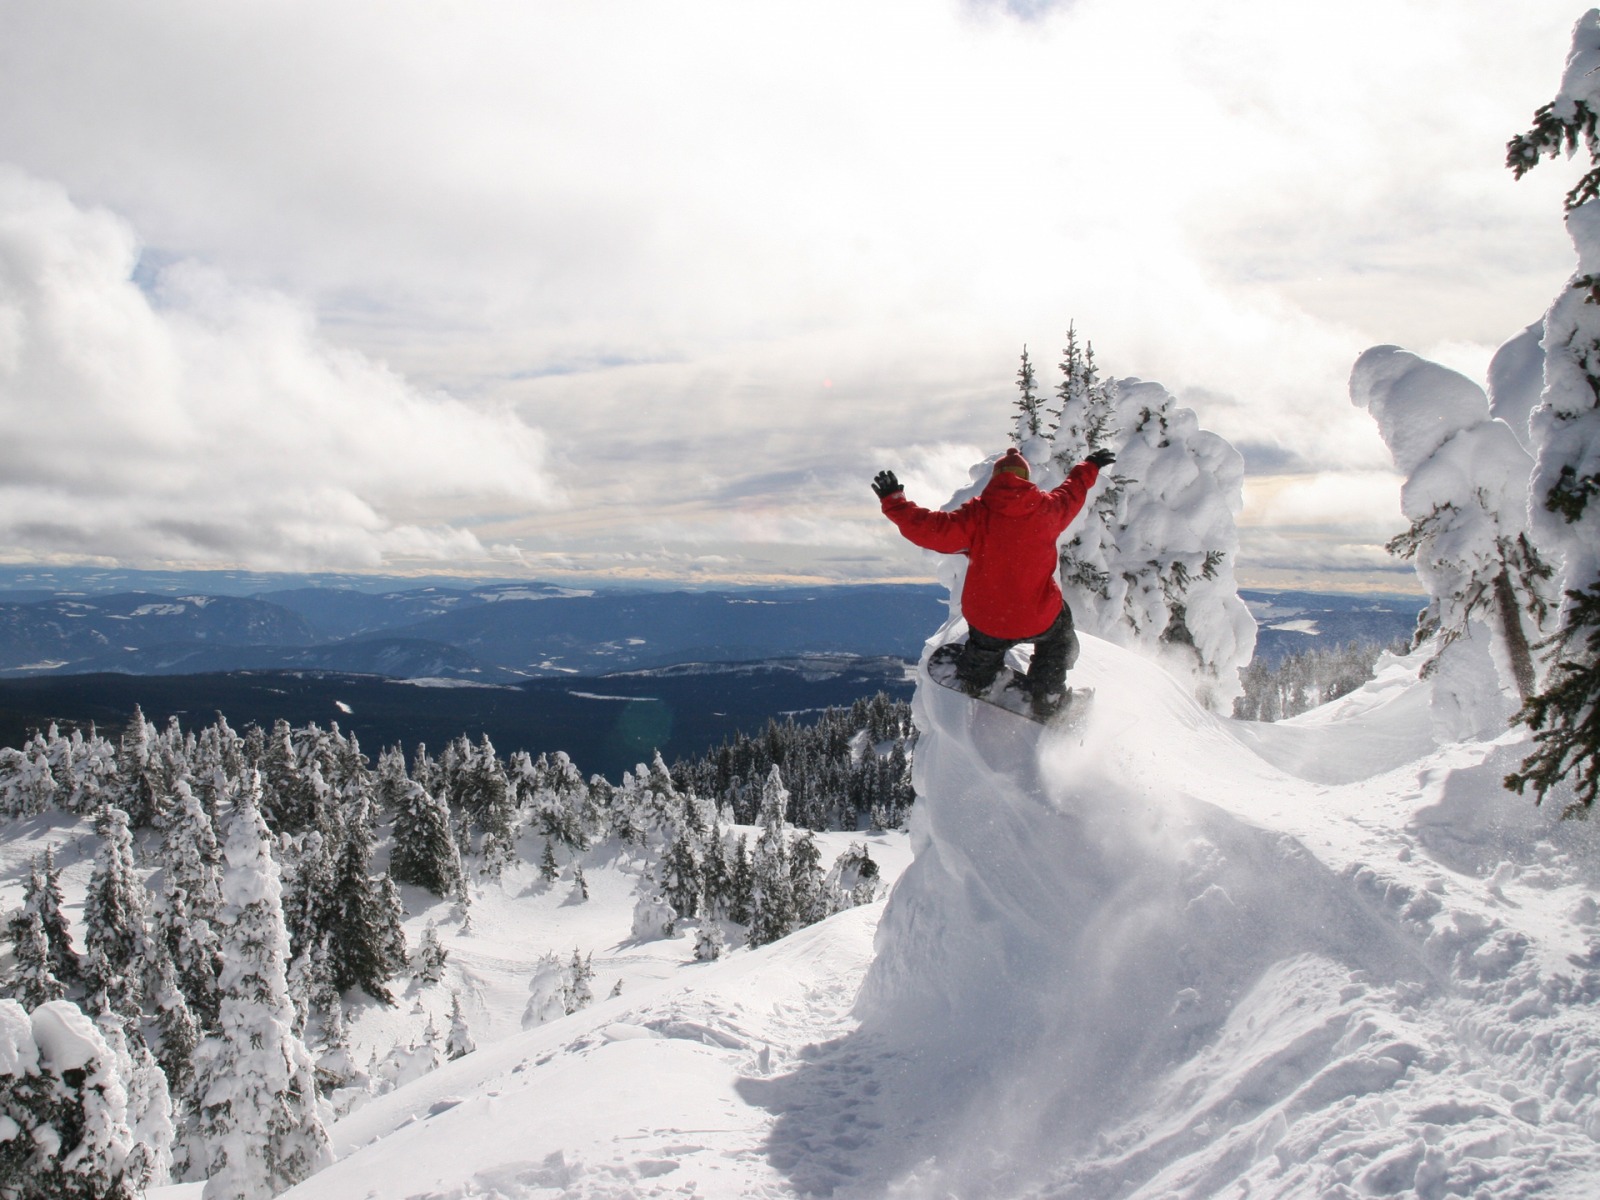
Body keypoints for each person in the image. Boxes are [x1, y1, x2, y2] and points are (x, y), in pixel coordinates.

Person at [873, 446, 1115, 717]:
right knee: (1058, 638)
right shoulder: (1048, 510)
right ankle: (1049, 691)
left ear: (995, 478)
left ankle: (977, 678)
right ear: (1025, 477)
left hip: (990, 620)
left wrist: (894, 501)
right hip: (1039, 617)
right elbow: (1073, 491)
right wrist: (1090, 465)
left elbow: (930, 529)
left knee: (985, 644)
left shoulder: (976, 516)